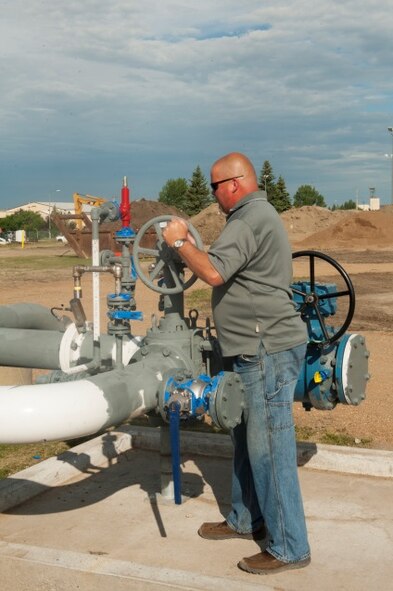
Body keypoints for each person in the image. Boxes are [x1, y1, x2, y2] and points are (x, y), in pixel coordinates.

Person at [162, 152, 310, 575]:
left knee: (269, 450)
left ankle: (289, 547)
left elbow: (212, 272)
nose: (212, 194)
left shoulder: (247, 219)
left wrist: (178, 241)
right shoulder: (254, 217)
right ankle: (246, 519)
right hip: (255, 348)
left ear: (234, 184)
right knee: (245, 439)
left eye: (214, 186)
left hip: (265, 351)